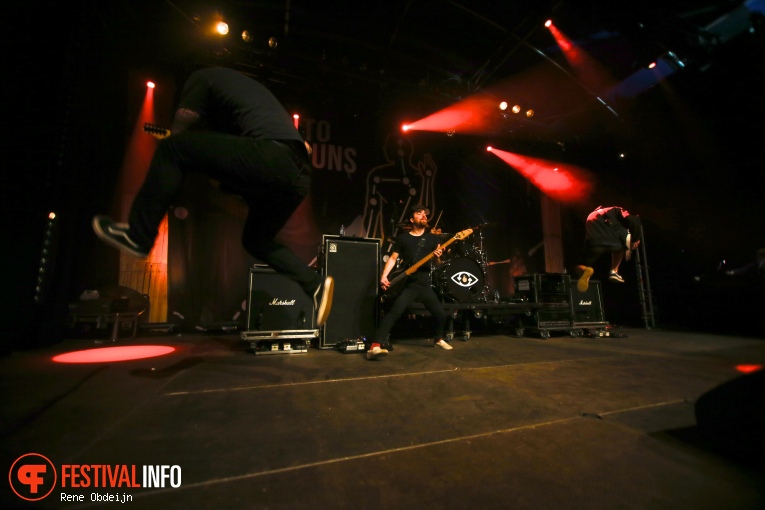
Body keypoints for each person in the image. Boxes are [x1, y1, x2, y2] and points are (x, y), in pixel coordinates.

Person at [92, 67, 334, 326]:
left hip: (273, 157)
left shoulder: (201, 78)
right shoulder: (240, 106)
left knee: (172, 149)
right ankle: (315, 283)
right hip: (297, 180)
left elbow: (181, 130)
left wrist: (177, 147)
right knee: (256, 240)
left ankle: (138, 236)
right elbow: (228, 171)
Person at [367, 204, 451, 359]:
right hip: (409, 284)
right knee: (393, 313)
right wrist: (384, 276)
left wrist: (438, 256)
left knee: (440, 314)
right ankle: (374, 346)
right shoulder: (403, 238)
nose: (424, 215)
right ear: (412, 219)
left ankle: (438, 339)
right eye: (419, 214)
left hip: (425, 284)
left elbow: (438, 263)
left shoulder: (433, 238)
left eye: (424, 214)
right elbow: (393, 258)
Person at [575, 206, 642, 293]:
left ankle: (583, 269)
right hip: (606, 227)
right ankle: (614, 271)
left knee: (581, 262)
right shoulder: (619, 209)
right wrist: (636, 238)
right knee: (623, 241)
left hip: (593, 233)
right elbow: (632, 219)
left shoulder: (598, 211)